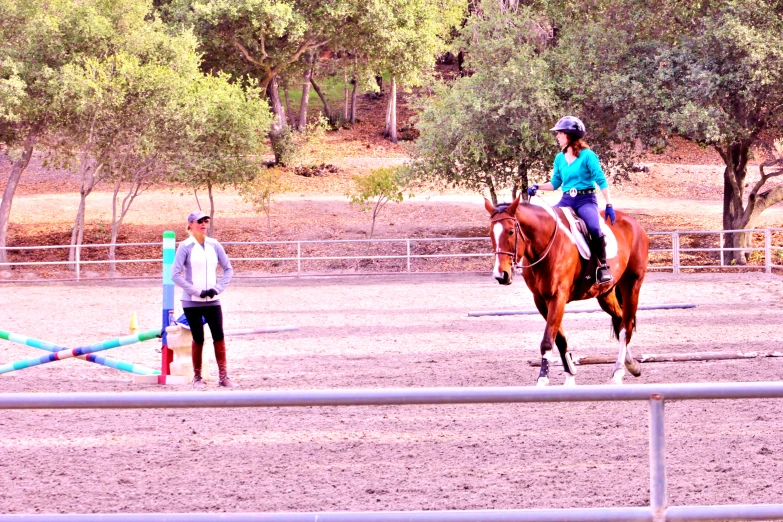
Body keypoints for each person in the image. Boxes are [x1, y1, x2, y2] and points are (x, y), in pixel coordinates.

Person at [527, 116, 616, 283]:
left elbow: (601, 180)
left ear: (569, 135)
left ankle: (602, 266)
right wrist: (537, 186)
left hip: (585, 200)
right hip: (566, 200)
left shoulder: (588, 155)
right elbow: (555, 184)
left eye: (560, 133)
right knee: (549, 222)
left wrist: (609, 204)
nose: (557, 136)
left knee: (594, 228)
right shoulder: (559, 158)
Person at [171, 210, 237, 389]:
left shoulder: (214, 245)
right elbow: (175, 275)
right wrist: (195, 291)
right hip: (191, 302)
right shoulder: (185, 246)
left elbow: (228, 269)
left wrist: (218, 288)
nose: (203, 224)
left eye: (206, 221)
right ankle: (197, 378)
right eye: (200, 221)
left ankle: (223, 377)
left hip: (212, 301)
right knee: (198, 338)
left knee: (219, 336)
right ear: (191, 224)